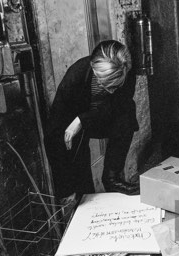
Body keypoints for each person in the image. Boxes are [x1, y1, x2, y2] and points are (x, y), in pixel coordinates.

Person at [44, 40, 139, 202]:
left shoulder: (127, 71)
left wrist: (82, 120)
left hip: (100, 118)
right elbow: (53, 131)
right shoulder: (76, 75)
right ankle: (80, 193)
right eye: (105, 85)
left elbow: (118, 105)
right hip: (76, 124)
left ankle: (112, 178)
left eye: (115, 87)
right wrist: (64, 188)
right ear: (95, 71)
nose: (110, 91)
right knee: (78, 174)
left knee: (127, 114)